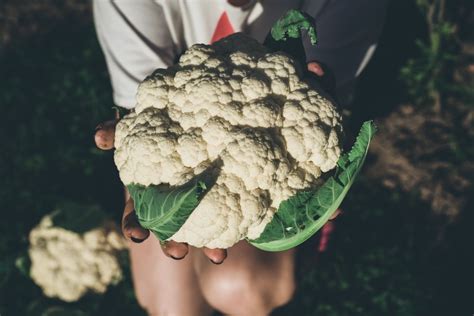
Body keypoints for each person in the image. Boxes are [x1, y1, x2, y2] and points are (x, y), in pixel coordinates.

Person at [93, 1, 388, 315]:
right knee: (171, 310)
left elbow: (317, 109)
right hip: (183, 151)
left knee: (241, 288)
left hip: (267, 174)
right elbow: (144, 107)